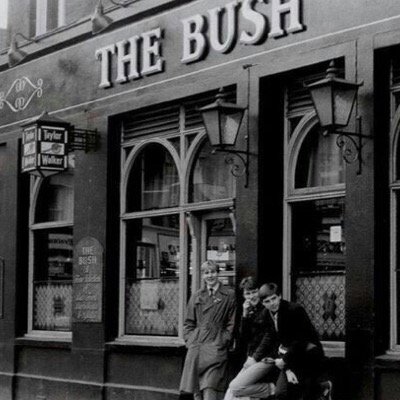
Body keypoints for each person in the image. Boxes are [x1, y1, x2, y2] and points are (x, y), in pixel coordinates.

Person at [230, 282, 327, 400]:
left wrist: (285, 363)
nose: (272, 303)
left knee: (289, 391)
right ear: (262, 303)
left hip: (307, 355)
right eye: (267, 301)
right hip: (289, 356)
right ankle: (321, 388)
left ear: (280, 296)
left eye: (274, 298)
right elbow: (270, 338)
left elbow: (300, 340)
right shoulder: (266, 314)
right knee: (283, 392)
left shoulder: (294, 310)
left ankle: (322, 387)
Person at [180, 261, 237, 400]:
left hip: (215, 346)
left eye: (212, 272)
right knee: (196, 390)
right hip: (197, 348)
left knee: (211, 387)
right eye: (206, 273)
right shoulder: (197, 296)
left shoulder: (229, 295)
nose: (210, 276)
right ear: (202, 275)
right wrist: (190, 339)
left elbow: (232, 323)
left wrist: (223, 340)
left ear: (218, 273)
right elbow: (188, 322)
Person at [224, 276, 275, 400]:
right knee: (233, 394)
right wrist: (245, 316)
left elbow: (268, 336)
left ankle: (274, 389)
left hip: (266, 358)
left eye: (254, 292)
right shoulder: (250, 310)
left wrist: (254, 357)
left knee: (234, 390)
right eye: (247, 293)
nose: (251, 296)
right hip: (252, 357)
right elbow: (243, 338)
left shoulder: (266, 307)